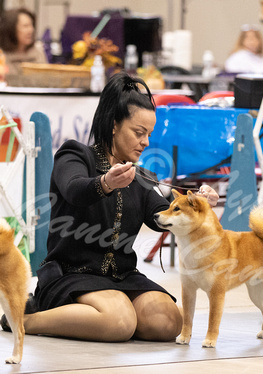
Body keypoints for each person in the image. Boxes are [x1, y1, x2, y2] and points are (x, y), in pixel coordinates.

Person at [0, 72, 219, 342]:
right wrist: (104, 183)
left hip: (122, 276)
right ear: (114, 125)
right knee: (120, 321)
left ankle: (99, 316)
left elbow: (160, 215)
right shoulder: (74, 154)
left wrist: (195, 205)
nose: (146, 142)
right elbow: (74, 189)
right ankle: (24, 319)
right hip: (71, 273)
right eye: (139, 133)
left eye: (149, 134)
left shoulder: (140, 175)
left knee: (169, 321)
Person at [0, 7, 47, 75]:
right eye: (25, 26)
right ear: (11, 29)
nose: (31, 30)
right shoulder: (2, 54)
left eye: (31, 26)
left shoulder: (37, 53)